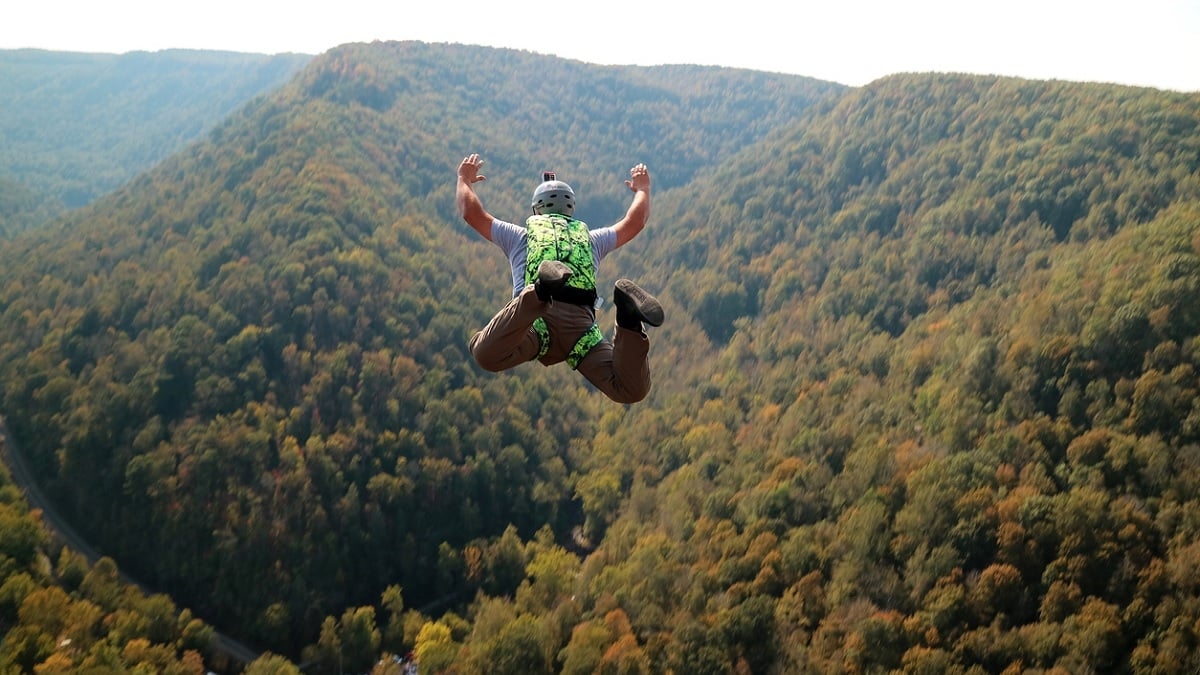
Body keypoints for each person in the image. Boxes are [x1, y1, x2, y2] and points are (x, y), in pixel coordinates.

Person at [456, 153, 664, 404]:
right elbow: (635, 222)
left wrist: (464, 180)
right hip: (580, 329)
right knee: (632, 390)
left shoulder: (520, 236)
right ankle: (629, 320)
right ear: (571, 208)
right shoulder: (591, 240)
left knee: (484, 354)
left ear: (537, 209)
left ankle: (540, 291)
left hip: (536, 323)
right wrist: (643, 189)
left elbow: (471, 212)